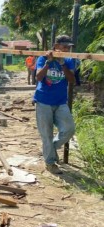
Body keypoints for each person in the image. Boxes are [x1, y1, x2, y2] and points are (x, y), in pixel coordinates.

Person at [34, 35, 76, 174]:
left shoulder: (69, 60)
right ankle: (50, 162)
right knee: (46, 134)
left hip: (60, 102)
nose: (67, 49)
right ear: (56, 46)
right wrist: (48, 63)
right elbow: (38, 77)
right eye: (64, 47)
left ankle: (49, 149)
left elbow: (71, 80)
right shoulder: (43, 58)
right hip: (43, 101)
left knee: (69, 129)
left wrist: (63, 64)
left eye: (68, 47)